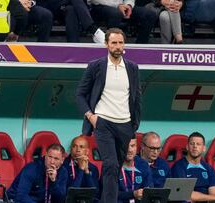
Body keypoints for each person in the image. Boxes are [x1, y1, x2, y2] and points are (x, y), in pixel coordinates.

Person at [76, 27, 141, 203]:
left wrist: (134, 125)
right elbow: (80, 94)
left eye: (120, 42)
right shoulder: (96, 66)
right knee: (111, 165)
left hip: (125, 125)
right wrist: (91, 116)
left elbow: (137, 97)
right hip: (103, 123)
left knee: (113, 169)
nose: (117, 46)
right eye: (114, 43)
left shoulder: (133, 68)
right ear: (106, 44)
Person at [171, 132, 215, 202]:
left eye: (198, 144)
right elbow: (185, 194)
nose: (195, 146)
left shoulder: (209, 169)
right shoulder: (178, 167)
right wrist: (213, 198)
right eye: (192, 144)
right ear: (187, 147)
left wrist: (214, 198)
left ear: (203, 148)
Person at [89, 0, 158, 43]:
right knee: (115, 14)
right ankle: (112, 45)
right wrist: (118, 6)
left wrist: (128, 6)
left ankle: (140, 46)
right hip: (99, 6)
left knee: (149, 15)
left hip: (122, 6)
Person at [62, 136, 100, 201]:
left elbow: (95, 194)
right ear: (71, 149)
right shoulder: (63, 166)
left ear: (87, 151)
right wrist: (81, 170)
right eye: (74, 146)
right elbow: (70, 194)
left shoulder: (93, 168)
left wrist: (87, 171)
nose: (77, 150)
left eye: (81, 147)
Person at [118, 138, 153, 203]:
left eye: (133, 146)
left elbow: (149, 192)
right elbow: (108, 194)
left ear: (136, 147)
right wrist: (133, 194)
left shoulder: (143, 165)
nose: (130, 150)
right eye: (126, 146)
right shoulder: (111, 165)